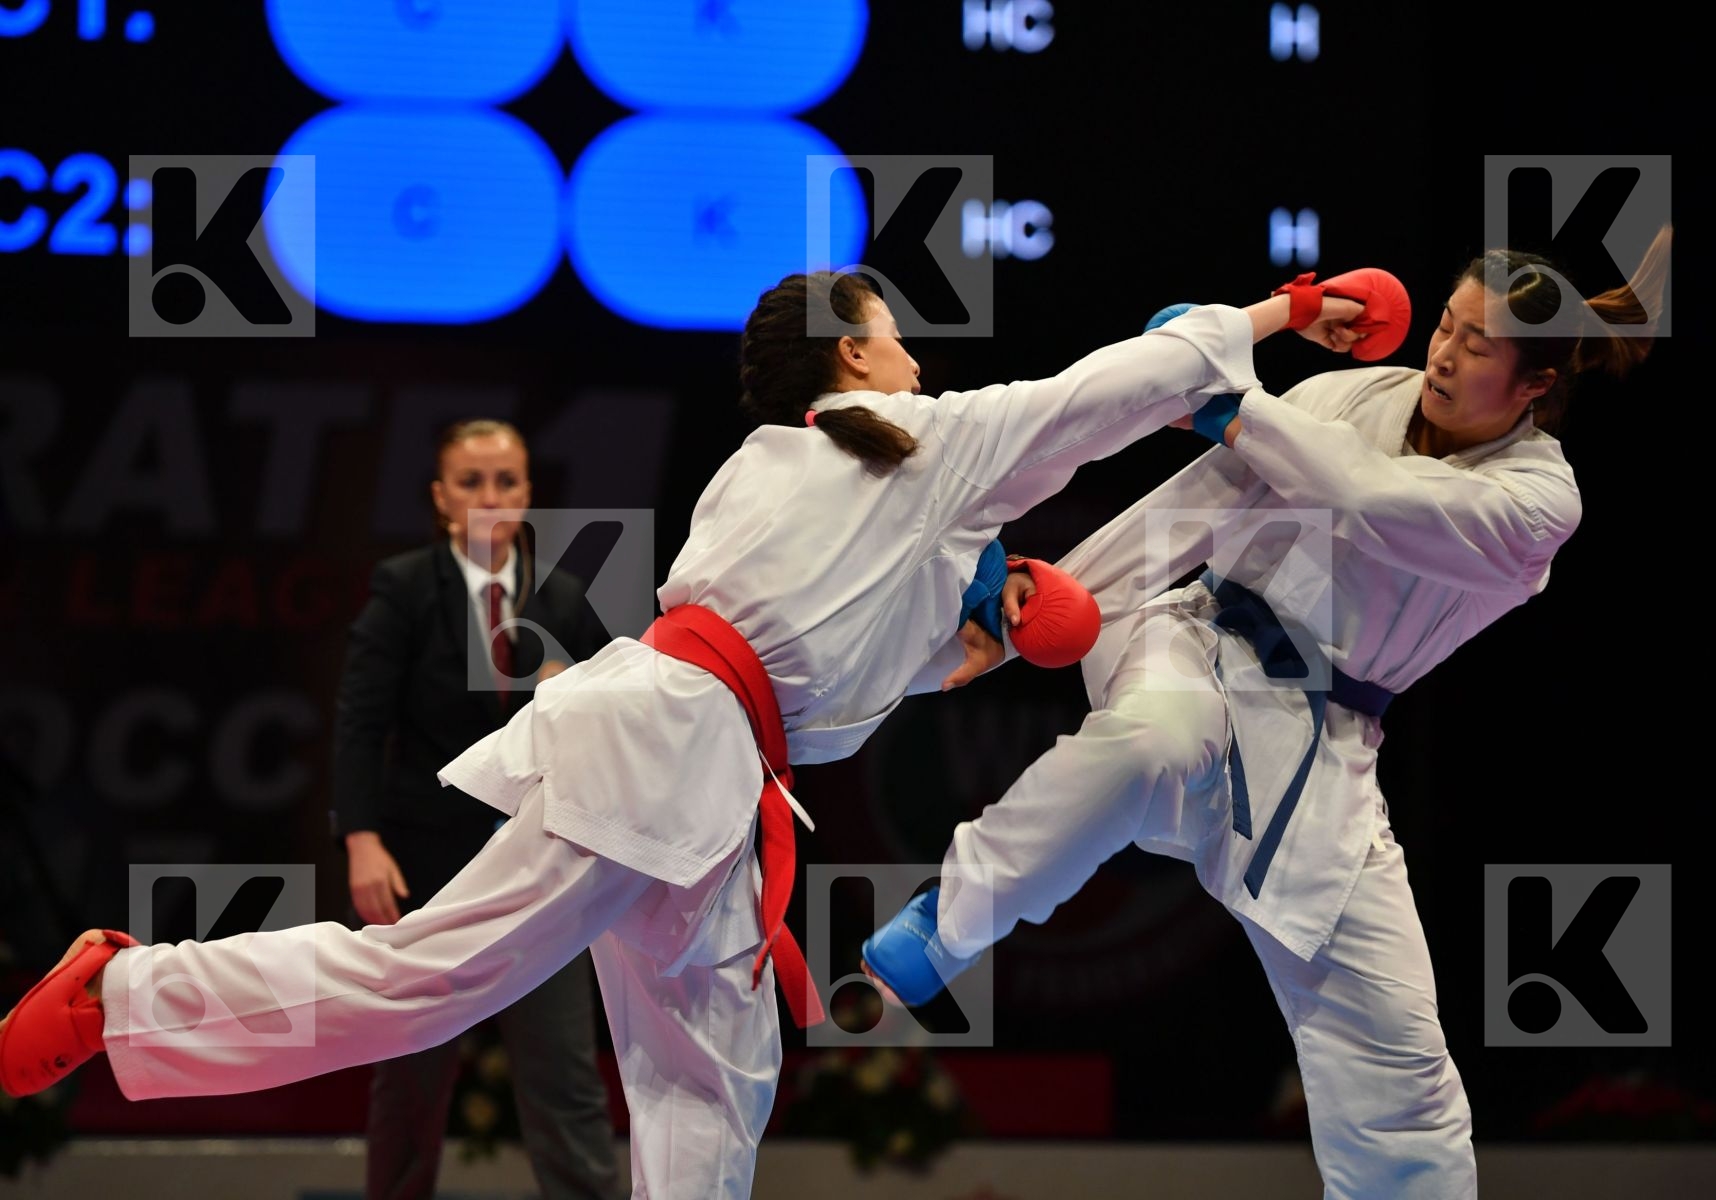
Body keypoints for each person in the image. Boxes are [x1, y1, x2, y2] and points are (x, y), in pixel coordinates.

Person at [0, 268, 1357, 1198]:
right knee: (430, 983)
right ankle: (117, 993)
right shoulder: (895, 440)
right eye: (897, 330)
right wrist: (1282, 311)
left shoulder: (821, 473)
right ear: (854, 354)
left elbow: (847, 677)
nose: (917, 352)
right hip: (660, 754)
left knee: (715, 1076)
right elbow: (1104, 395)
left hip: (716, 785)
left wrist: (984, 630)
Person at [861, 230, 1673, 1199]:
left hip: (1324, 753)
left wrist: (1230, 404)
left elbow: (1376, 497)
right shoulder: (1354, 396)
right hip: (1193, 637)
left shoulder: (1538, 501)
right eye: (1447, 325)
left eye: (1479, 345)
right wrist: (1040, 600)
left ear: (1535, 384)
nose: (1446, 354)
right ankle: (950, 924)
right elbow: (1199, 505)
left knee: (1402, 1077)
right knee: (1160, 738)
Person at [332, 418, 627, 1199]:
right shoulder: (404, 588)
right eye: (470, 482)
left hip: (541, 870)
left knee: (562, 1074)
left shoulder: (562, 597)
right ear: (441, 499)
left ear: (528, 495)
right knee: (410, 1074)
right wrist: (361, 838)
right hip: (427, 867)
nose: (489, 497)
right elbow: (362, 721)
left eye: (505, 482)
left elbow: (616, 724)